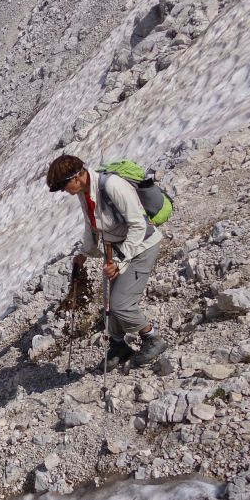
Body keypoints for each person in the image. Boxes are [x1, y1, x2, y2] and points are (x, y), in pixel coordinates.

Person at [46, 154, 167, 369]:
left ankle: (152, 338)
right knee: (110, 304)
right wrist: (84, 253)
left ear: (77, 177)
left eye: (64, 186)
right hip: (116, 248)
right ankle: (119, 345)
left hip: (141, 247)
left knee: (121, 304)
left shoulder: (113, 186)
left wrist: (119, 262)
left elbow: (138, 225)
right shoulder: (84, 193)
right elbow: (91, 225)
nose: (64, 191)